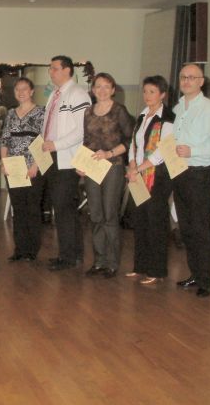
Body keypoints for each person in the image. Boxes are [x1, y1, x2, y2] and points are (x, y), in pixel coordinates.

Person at [173, 63, 210, 297]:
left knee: (199, 227)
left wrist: (193, 150)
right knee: (186, 227)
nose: (186, 81)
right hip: (180, 171)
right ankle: (195, 273)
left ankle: (205, 281)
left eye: (191, 77)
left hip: (199, 172)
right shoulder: (178, 108)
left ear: (201, 81)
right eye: (183, 77)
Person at [80, 73, 135, 279]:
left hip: (113, 166)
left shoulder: (119, 111)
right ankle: (98, 260)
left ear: (113, 90)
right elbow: (86, 141)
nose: (102, 90)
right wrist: (82, 164)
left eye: (106, 86)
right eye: (98, 86)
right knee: (95, 215)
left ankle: (112, 263)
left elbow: (130, 140)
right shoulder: (88, 112)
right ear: (93, 89)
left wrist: (109, 153)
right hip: (93, 167)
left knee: (110, 214)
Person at [42, 55, 91, 271]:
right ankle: (71, 253)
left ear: (67, 70)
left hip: (67, 159)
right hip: (53, 156)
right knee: (62, 208)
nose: (50, 72)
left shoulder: (78, 94)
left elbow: (82, 129)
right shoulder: (55, 94)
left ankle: (69, 256)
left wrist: (56, 144)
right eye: (50, 68)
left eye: (54, 68)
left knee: (64, 208)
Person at [125, 75, 174, 284]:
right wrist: (132, 166)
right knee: (140, 221)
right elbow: (134, 145)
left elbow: (162, 151)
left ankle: (156, 270)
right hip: (138, 175)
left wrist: (140, 168)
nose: (147, 95)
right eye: (145, 91)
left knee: (156, 223)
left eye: (152, 92)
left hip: (158, 177)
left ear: (162, 94)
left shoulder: (168, 119)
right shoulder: (142, 116)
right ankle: (140, 266)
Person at [0, 77, 45, 262]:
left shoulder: (41, 112)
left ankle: (32, 250)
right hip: (14, 167)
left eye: (24, 89)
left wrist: (35, 165)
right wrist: (4, 162)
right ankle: (20, 249)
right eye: (17, 89)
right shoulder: (10, 114)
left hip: (33, 167)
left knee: (32, 208)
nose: (21, 92)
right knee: (18, 209)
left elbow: (44, 141)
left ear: (32, 91)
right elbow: (4, 140)